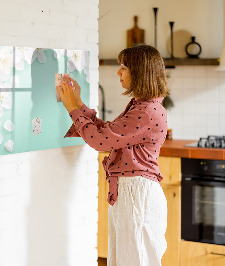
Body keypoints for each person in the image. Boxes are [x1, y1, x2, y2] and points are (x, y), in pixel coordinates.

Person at [57, 44, 169, 266]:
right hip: (132, 193)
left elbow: (100, 141)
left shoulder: (146, 111)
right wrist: (78, 104)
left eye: (124, 67)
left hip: (137, 195)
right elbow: (108, 133)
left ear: (140, 72)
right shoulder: (142, 106)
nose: (118, 72)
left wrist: (72, 108)